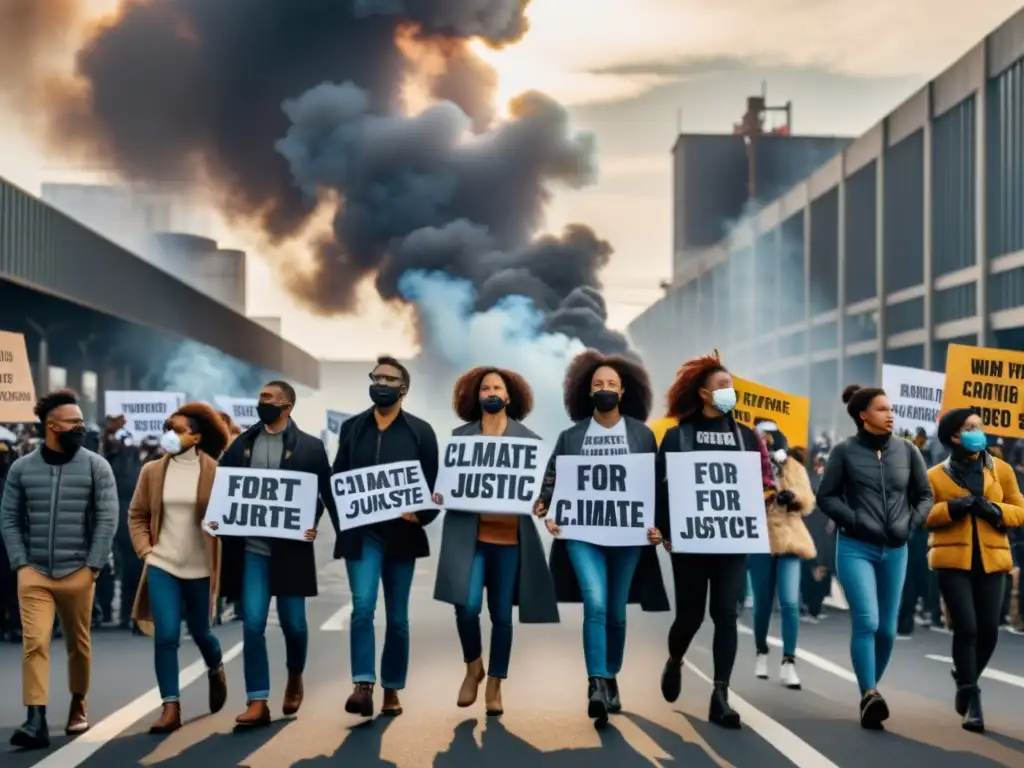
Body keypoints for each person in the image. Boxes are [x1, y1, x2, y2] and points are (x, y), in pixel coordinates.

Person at [535, 349, 668, 727]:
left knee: (615, 610)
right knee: (594, 602)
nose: (605, 389)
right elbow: (553, 478)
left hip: (629, 537)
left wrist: (659, 526)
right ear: (586, 391)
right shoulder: (571, 436)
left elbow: (655, 486)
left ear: (624, 392)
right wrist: (547, 507)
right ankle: (595, 682)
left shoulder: (642, 435)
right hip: (582, 535)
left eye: (611, 384)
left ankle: (610, 674)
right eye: (598, 384)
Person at [653, 352, 776, 729]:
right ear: (703, 393)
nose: (730, 392)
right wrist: (664, 531)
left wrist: (766, 502)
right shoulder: (677, 436)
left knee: (725, 614)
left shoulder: (747, 437)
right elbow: (658, 489)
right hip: (689, 545)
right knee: (689, 616)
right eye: (723, 386)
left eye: (732, 386)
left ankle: (720, 695)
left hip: (731, 544)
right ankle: (675, 660)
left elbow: (766, 482)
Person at [432, 366, 559, 716]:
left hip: (509, 543)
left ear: (508, 396)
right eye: (484, 388)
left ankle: (495, 683)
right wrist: (440, 494)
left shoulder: (529, 441)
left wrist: (541, 500)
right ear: (475, 397)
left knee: (501, 615)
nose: (490, 393)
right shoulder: (460, 438)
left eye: (497, 388)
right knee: (467, 605)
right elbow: (446, 483)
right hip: (469, 540)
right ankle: (474, 666)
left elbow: (543, 485)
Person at [214, 380, 338, 728]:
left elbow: (324, 494)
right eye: (260, 397)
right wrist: (217, 520)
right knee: (253, 624)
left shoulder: (310, 448)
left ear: (287, 406)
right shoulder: (241, 445)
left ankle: (295, 674)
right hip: (253, 551)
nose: (261, 402)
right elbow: (225, 490)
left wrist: (313, 524)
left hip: (291, 551)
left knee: (294, 624)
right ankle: (258, 700)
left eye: (268, 398)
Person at [0, 389, 118, 749]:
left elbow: (107, 517)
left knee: (78, 646)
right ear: (52, 425)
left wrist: (93, 566)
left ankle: (78, 702)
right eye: (75, 422)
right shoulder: (21, 468)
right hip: (34, 571)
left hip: (78, 571)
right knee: (34, 644)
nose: (81, 428)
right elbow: (8, 517)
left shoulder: (97, 465)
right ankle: (35, 718)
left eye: (82, 422)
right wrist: (20, 561)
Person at [816, 384, 933, 730]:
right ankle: (869, 693)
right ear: (863, 415)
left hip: (896, 549)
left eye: (890, 408)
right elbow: (827, 497)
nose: (890, 414)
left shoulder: (909, 452)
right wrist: (854, 520)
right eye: (882, 409)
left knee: (887, 630)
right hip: (855, 547)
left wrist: (910, 525)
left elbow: (925, 495)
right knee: (866, 621)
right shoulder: (844, 453)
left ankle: (871, 693)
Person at [333, 356, 440, 718]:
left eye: (389, 378)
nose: (381, 382)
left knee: (397, 618)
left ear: (403, 388)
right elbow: (337, 480)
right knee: (362, 607)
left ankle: (392, 688)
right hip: (362, 536)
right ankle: (363, 685)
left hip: (402, 537)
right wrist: (342, 519)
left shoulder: (421, 432)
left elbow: (434, 487)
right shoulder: (352, 429)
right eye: (376, 376)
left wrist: (420, 513)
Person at [128, 402, 232, 733]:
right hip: (163, 564)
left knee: (202, 633)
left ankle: (215, 667)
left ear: (196, 436)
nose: (170, 436)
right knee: (167, 635)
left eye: (178, 430)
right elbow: (137, 514)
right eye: (168, 429)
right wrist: (146, 550)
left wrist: (221, 524)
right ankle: (170, 707)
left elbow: (229, 518)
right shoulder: (152, 471)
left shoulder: (216, 471)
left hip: (200, 568)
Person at [924, 408, 1024, 732]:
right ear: (954, 435)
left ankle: (964, 674)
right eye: (970, 427)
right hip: (953, 562)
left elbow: (1020, 510)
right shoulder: (935, 475)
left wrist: (994, 510)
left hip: (993, 560)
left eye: (979, 425)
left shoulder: (1002, 470)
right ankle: (971, 696)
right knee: (966, 627)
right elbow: (923, 514)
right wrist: (953, 508)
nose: (977, 431)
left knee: (989, 632)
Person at [749, 422, 816, 688]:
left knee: (789, 602)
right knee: (762, 603)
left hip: (789, 538)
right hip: (759, 539)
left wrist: (793, 495)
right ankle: (761, 651)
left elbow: (809, 500)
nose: (766, 439)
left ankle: (789, 661)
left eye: (770, 434)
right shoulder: (749, 463)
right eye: (761, 435)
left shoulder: (792, 466)